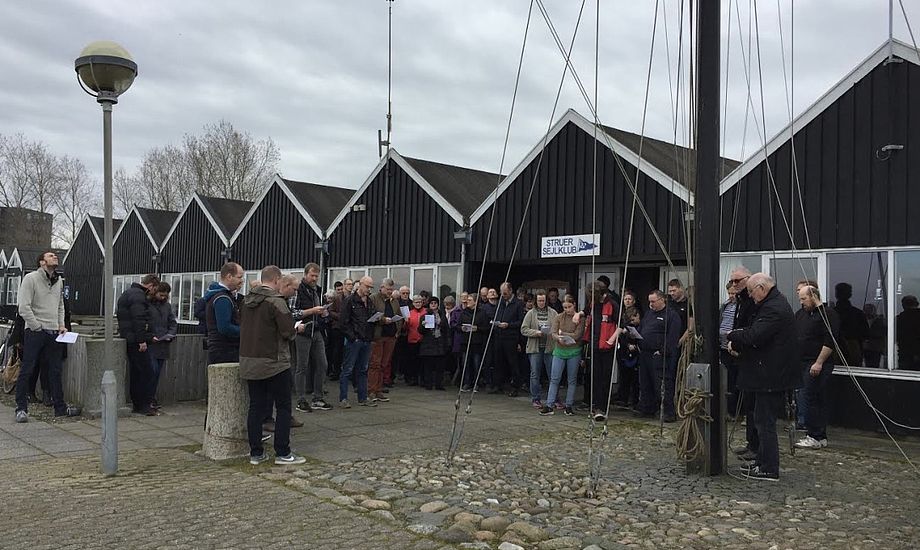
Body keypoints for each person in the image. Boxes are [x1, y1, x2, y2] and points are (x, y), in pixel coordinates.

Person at [727, 273, 800, 482]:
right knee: (760, 419)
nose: (750, 296)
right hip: (767, 373)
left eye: (751, 291)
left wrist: (733, 335)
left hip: (771, 374)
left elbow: (755, 335)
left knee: (765, 422)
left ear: (761, 288)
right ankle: (761, 460)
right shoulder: (772, 304)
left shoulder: (773, 308)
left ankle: (769, 467)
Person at [240, 266, 305, 466]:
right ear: (277, 280)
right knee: (283, 407)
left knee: (256, 407)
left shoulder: (246, 301)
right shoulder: (276, 302)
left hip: (250, 360)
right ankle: (283, 452)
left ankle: (256, 453)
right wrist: (297, 328)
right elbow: (287, 331)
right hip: (275, 362)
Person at [14, 251, 73, 422]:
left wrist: (61, 325)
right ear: (41, 262)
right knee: (28, 369)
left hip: (54, 332)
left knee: (55, 371)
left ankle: (60, 408)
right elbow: (23, 307)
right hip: (35, 331)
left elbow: (60, 305)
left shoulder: (59, 281)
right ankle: (21, 408)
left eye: (55, 255)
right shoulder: (31, 279)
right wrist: (36, 326)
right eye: (50, 256)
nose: (55, 257)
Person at [794, 285, 841, 450]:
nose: (802, 303)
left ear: (813, 296)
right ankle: (818, 435)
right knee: (809, 398)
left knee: (811, 397)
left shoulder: (827, 314)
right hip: (802, 361)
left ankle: (814, 434)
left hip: (816, 363)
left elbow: (830, 340)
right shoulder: (801, 314)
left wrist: (819, 362)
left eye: (804, 299)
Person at [116, 272, 160, 416]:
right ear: (151, 285)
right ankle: (143, 405)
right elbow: (139, 319)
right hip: (136, 340)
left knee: (137, 373)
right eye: (155, 289)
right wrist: (142, 340)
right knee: (145, 373)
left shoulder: (128, 293)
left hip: (129, 337)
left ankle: (138, 404)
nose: (154, 293)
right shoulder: (139, 296)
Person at [636, 289, 681, 423]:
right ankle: (647, 407)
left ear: (662, 300)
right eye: (649, 301)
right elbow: (643, 328)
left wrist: (663, 351)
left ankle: (668, 412)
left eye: (653, 301)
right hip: (645, 353)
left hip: (660, 354)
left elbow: (673, 337)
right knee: (645, 382)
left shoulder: (671, 315)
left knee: (662, 383)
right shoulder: (649, 314)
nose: (651, 304)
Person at [294, 263, 333, 412]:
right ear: (305, 275)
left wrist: (324, 313)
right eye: (312, 275)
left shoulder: (318, 290)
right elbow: (293, 312)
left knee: (322, 364)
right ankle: (301, 400)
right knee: (302, 366)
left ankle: (318, 397)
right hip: (303, 331)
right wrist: (311, 311)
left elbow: (321, 310)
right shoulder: (299, 289)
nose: (315, 278)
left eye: (317, 276)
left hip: (317, 331)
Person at [541, 294, 585, 416]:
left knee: (572, 379)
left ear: (574, 305)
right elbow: (553, 332)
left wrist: (563, 333)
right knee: (554, 378)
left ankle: (569, 406)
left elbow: (577, 335)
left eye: (569, 307)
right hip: (559, 350)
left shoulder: (580, 318)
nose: (567, 310)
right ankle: (549, 405)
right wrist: (558, 337)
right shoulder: (559, 317)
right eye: (565, 307)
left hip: (574, 351)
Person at [581, 282, 619, 421]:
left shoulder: (613, 305)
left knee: (605, 377)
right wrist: (579, 314)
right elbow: (585, 311)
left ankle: (602, 407)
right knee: (594, 376)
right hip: (594, 345)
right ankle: (596, 405)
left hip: (607, 346)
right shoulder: (593, 304)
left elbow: (621, 324)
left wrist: (612, 339)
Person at [339, 276, 378, 407]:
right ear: (360, 285)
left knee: (363, 369)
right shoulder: (350, 301)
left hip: (366, 339)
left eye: (371, 287)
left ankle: (363, 397)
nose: (369, 290)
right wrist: (352, 337)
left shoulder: (369, 301)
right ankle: (343, 398)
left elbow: (371, 317)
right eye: (367, 287)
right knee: (348, 369)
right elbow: (343, 322)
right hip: (355, 339)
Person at [521, 290, 557, 408]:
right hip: (535, 347)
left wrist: (551, 331)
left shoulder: (553, 313)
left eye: (543, 300)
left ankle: (554, 398)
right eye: (539, 300)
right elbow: (523, 329)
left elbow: (557, 327)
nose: (541, 302)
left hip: (549, 347)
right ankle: (536, 398)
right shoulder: (531, 313)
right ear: (536, 301)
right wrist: (535, 332)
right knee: (535, 373)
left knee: (552, 374)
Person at [204, 262, 244, 364]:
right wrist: (245, 331)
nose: (242, 281)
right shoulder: (222, 298)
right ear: (229, 276)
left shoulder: (218, 295)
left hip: (220, 350)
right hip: (225, 351)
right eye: (239, 277)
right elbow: (224, 327)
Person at [369, 278, 401, 402]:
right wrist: (383, 320)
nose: (390, 292)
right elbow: (371, 314)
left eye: (391, 290)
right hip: (378, 335)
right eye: (388, 289)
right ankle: (371, 390)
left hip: (391, 336)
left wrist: (398, 331)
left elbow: (398, 315)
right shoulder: (374, 298)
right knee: (375, 364)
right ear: (382, 287)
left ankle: (379, 390)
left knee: (384, 364)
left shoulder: (394, 301)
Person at [490, 282, 525, 397]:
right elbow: (497, 315)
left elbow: (521, 322)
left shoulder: (518, 304)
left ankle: (515, 387)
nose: (503, 295)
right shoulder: (500, 302)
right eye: (501, 293)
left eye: (505, 293)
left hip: (511, 337)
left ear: (510, 291)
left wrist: (508, 325)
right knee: (498, 361)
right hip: (499, 336)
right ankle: (498, 385)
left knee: (512, 362)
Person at [147, 281, 177, 411]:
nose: (163, 297)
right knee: (151, 372)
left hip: (163, 344)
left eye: (166, 295)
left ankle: (152, 398)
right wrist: (149, 336)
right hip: (151, 344)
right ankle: (147, 398)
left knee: (157, 373)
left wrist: (171, 334)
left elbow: (172, 322)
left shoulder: (167, 307)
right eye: (161, 295)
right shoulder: (147, 305)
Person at [459, 294, 490, 392]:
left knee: (477, 364)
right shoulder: (463, 313)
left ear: (476, 302)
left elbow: (487, 328)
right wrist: (461, 328)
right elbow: (457, 325)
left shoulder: (482, 313)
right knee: (465, 363)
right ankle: (467, 383)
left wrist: (477, 328)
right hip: (465, 342)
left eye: (470, 300)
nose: (467, 301)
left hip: (477, 342)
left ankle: (476, 383)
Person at [834, 282, 868, 367]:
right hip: (853, 349)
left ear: (836, 294)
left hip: (835, 349)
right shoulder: (857, 313)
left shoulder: (831, 313)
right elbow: (866, 333)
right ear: (850, 294)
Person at [614, 306, 642, 410]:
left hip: (636, 354)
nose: (633, 322)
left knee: (635, 380)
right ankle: (623, 399)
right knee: (624, 377)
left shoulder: (641, 326)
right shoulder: (625, 327)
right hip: (625, 354)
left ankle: (635, 400)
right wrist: (627, 344)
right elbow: (620, 339)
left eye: (634, 319)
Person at [418, 296, 449, 390]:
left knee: (440, 366)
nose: (433, 305)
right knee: (428, 366)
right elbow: (420, 331)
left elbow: (446, 329)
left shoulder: (442, 315)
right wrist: (423, 325)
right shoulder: (425, 316)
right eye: (432, 303)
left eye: (435, 303)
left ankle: (439, 384)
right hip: (428, 344)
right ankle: (428, 384)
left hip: (439, 343)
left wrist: (440, 323)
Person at [719, 282, 740, 416]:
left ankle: (736, 410)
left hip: (736, 348)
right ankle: (728, 409)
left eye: (734, 293)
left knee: (736, 380)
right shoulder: (725, 306)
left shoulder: (742, 306)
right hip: (723, 346)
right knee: (726, 379)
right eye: (730, 293)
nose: (732, 296)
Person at [896, 295, 920, 371]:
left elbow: (896, 336)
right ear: (917, 304)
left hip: (905, 352)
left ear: (903, 305)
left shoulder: (899, 318)